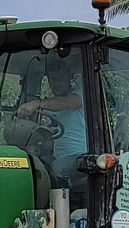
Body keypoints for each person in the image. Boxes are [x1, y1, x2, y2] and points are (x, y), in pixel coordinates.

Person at [15, 54, 87, 187]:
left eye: (61, 77)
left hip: (82, 157)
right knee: (32, 164)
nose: (57, 82)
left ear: (69, 77)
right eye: (53, 78)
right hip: (59, 156)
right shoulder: (50, 108)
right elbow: (50, 141)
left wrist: (36, 104)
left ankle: (61, 200)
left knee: (57, 167)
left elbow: (65, 103)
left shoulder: (81, 93)